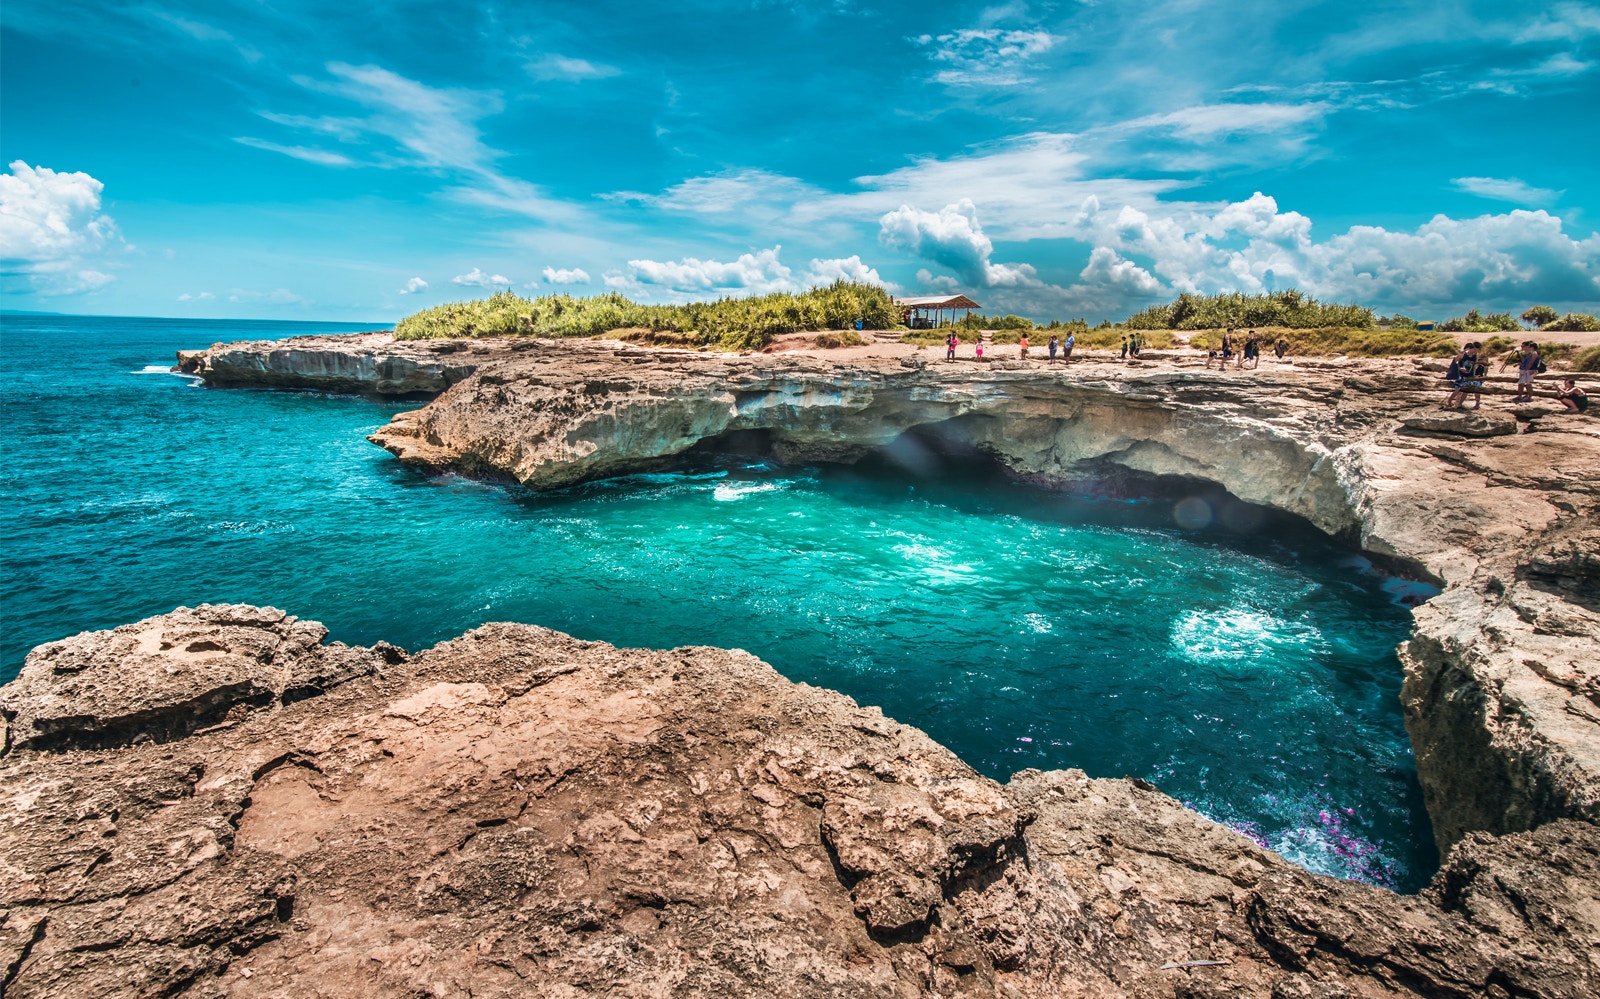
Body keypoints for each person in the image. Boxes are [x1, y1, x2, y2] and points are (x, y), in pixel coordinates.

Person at [1442, 342, 1485, 410]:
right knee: (1458, 389)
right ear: (1472, 348)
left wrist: (1473, 376)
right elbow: (1455, 362)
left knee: (1466, 391)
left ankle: (1460, 404)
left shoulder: (1475, 356)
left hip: (1469, 375)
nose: (1476, 351)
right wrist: (1460, 369)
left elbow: (1474, 366)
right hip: (1461, 374)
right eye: (1475, 350)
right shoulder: (1463, 354)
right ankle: (1449, 401)